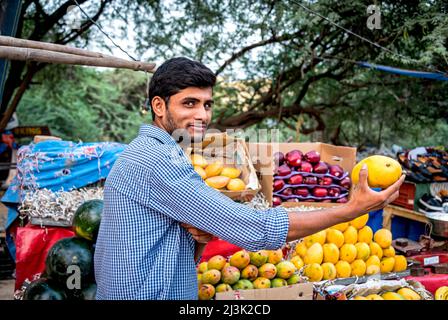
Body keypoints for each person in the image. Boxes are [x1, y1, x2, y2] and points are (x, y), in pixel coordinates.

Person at [94, 57, 405, 300]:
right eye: (189, 103)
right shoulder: (157, 160)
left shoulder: (156, 151)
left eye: (207, 104)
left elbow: (167, 234)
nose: (202, 115)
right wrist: (351, 209)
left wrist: (198, 235)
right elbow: (254, 229)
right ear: (158, 106)